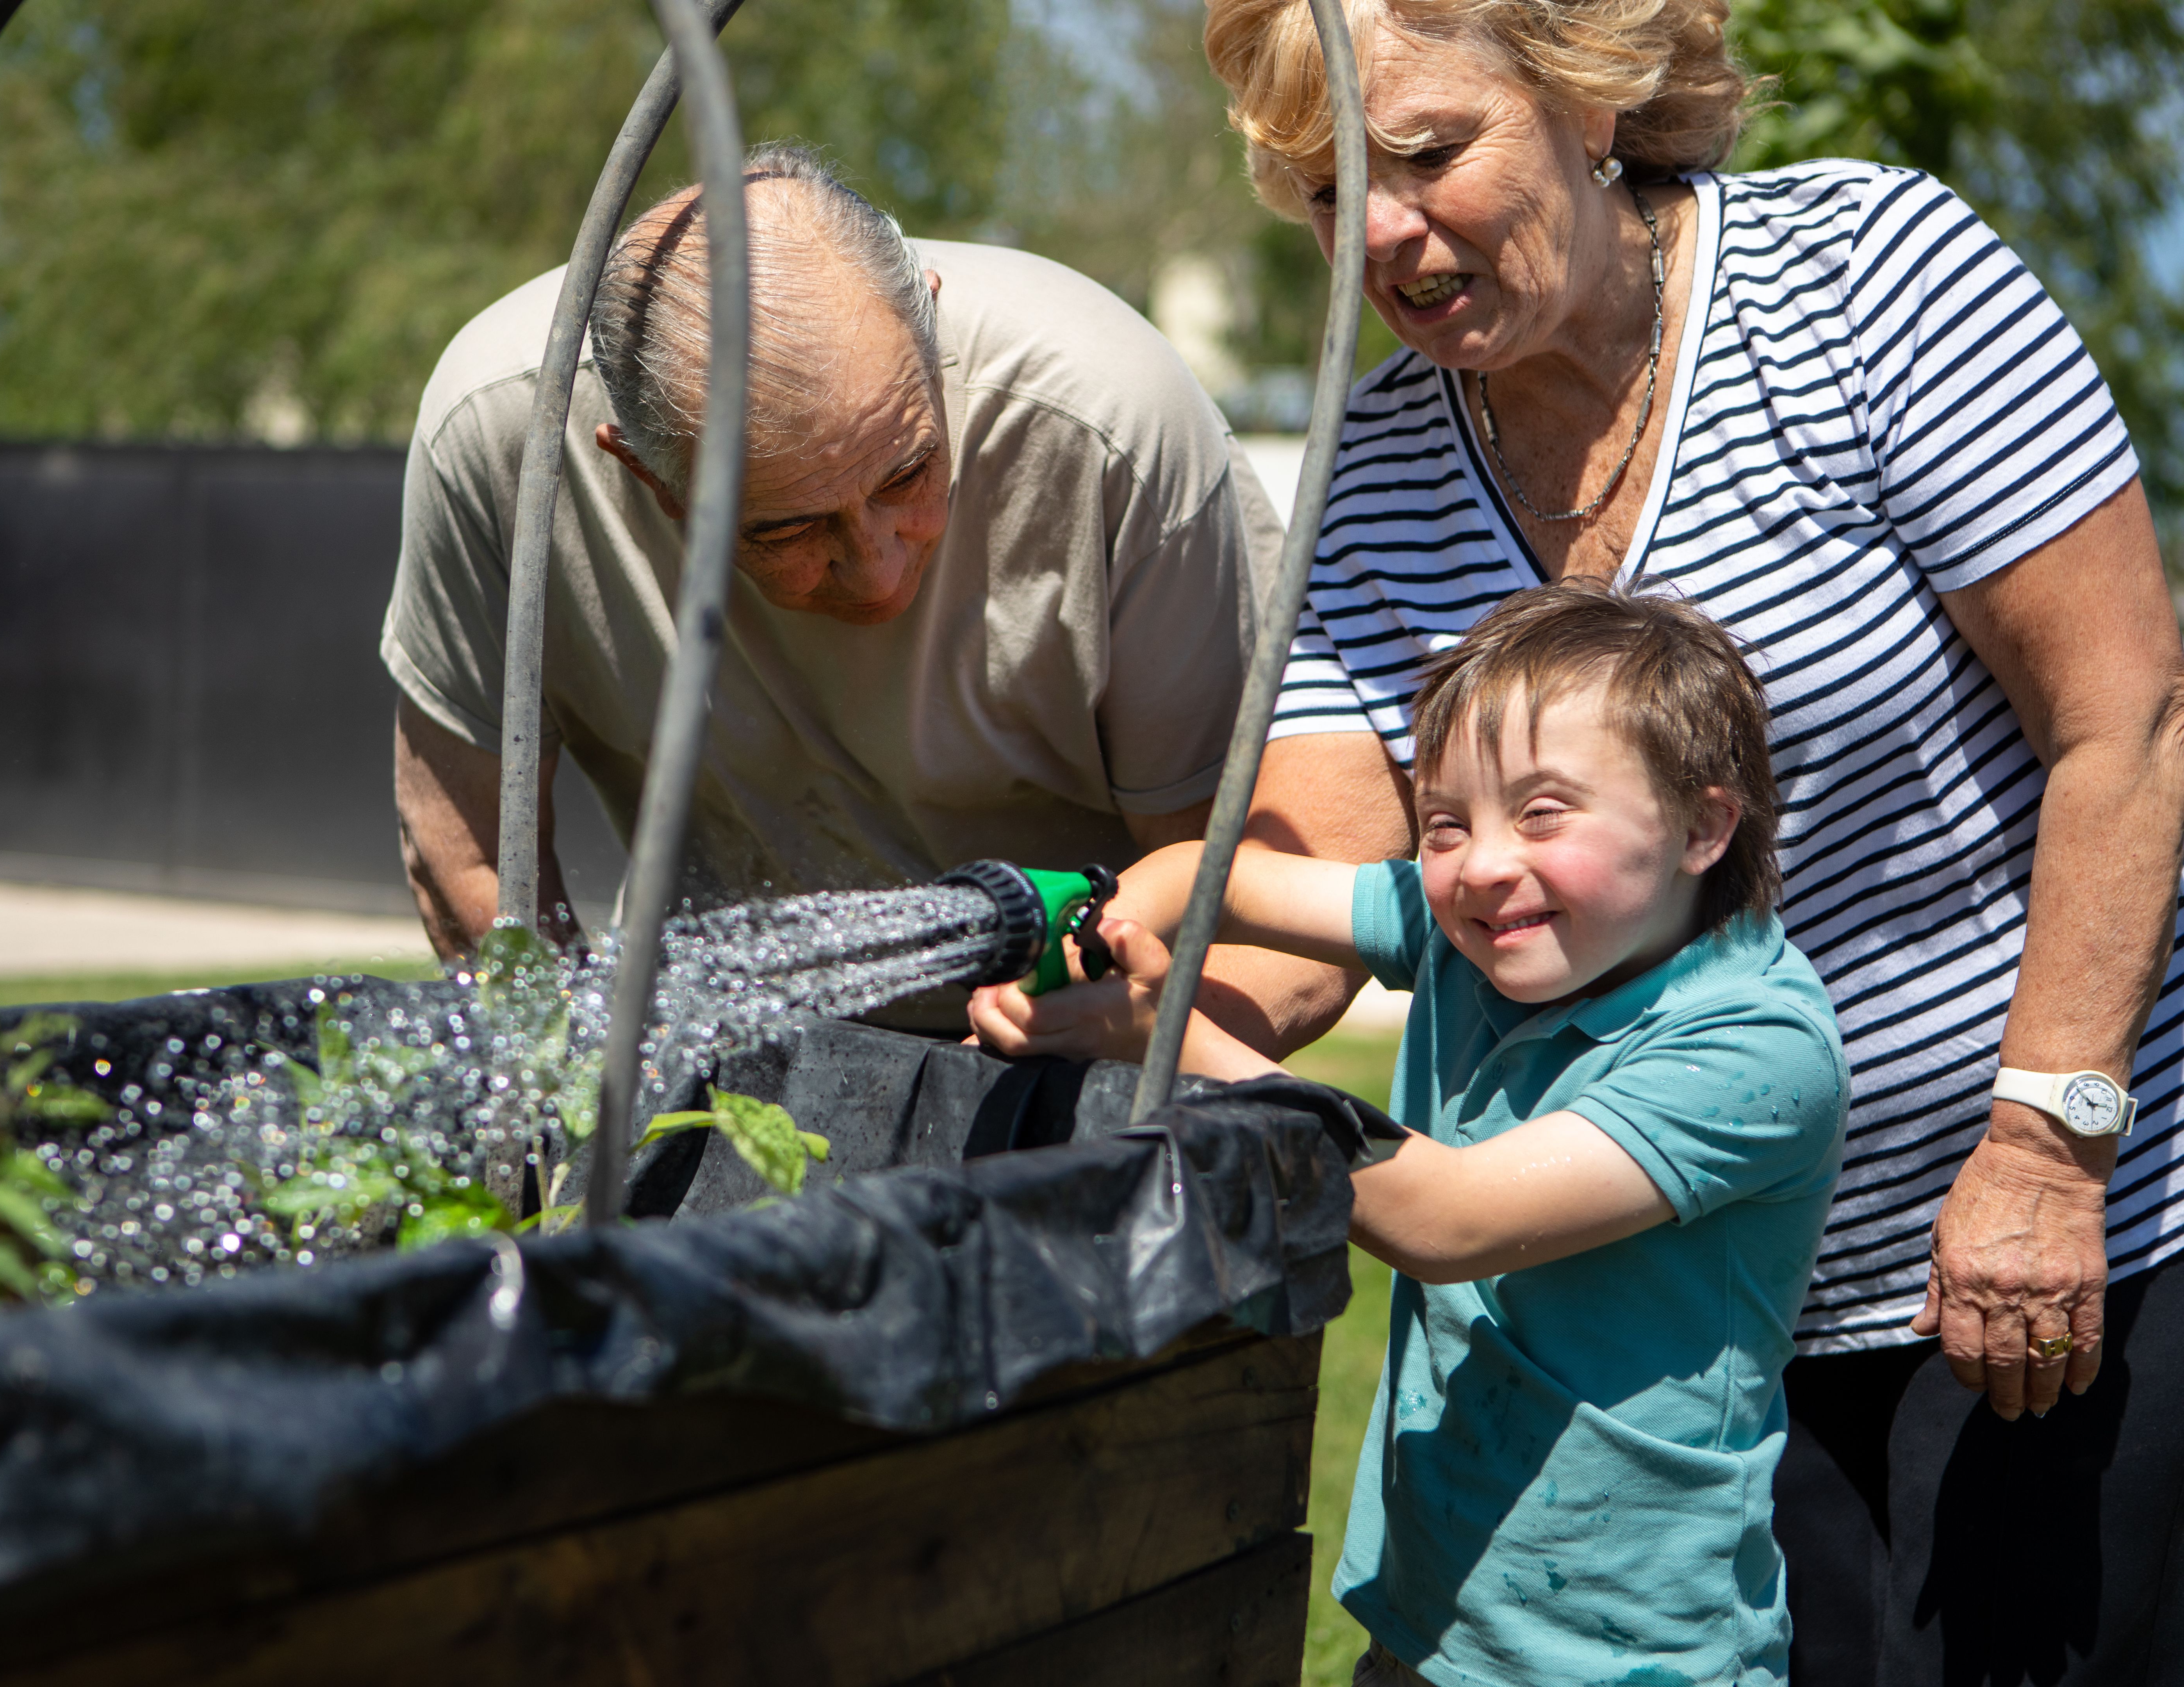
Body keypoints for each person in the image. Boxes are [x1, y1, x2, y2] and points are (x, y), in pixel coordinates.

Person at [982, 1, 2184, 1677]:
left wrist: (2049, 1144)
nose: (1382, 236)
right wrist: (1141, 1011)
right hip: (1639, 1311)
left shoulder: (1871, 281)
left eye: (1428, 155)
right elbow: (1331, 902)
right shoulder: (1369, 468)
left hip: (2016, 1249)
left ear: (1588, 97)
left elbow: (2124, 723)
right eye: (1332, 192)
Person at [986, 582, 1847, 1685]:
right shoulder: (1471, 929)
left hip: (1628, 1657)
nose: (1483, 865)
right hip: (1432, 1617)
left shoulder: (1755, 1045)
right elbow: (1217, 875)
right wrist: (1098, 932)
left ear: (1704, 825)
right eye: (1445, 824)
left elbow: (1449, 1218)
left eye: (1543, 813)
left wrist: (1169, 1037)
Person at [383, 143, 1283, 999]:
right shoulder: (507, 438)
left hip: (1080, 1021)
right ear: (650, 479)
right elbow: (471, 860)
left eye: (908, 475)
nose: (880, 571)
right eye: (789, 531)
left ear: (928, 330)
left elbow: (1231, 878)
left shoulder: (1110, 419)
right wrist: (576, 1098)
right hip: (726, 1031)